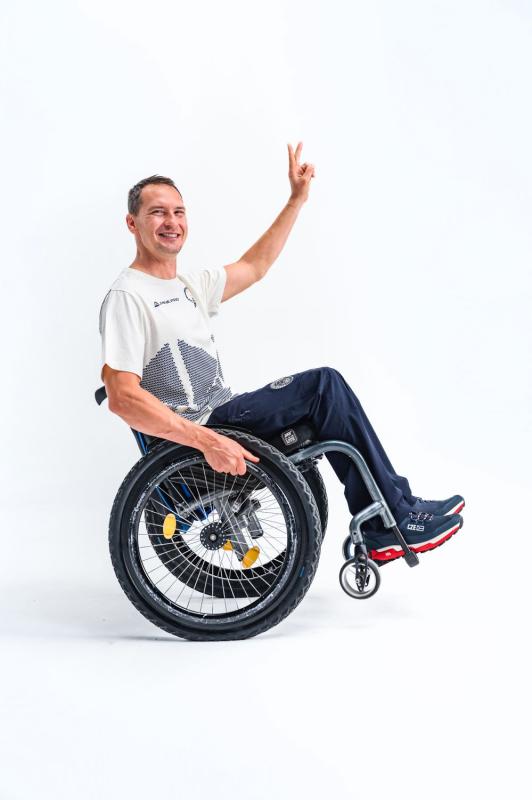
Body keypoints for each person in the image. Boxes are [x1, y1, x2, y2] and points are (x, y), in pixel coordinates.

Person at [98, 143, 464, 563]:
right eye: (157, 212)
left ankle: (392, 513)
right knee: (323, 386)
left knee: (326, 401)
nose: (172, 222)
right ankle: (392, 519)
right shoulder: (128, 295)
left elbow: (255, 266)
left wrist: (296, 200)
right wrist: (208, 440)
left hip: (224, 415)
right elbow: (123, 398)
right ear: (132, 223)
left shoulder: (188, 285)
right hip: (204, 432)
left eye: (179, 212)